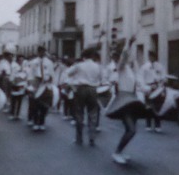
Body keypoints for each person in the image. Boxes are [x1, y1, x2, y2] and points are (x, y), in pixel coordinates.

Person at [104, 38, 150, 166]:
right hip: (124, 101)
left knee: (130, 130)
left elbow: (138, 83)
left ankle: (120, 151)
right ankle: (117, 152)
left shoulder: (129, 70)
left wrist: (147, 90)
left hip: (131, 100)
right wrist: (128, 45)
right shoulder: (121, 67)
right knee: (131, 130)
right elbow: (124, 57)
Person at [61, 48, 102, 147]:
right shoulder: (97, 66)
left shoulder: (79, 65)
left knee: (79, 113)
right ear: (92, 56)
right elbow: (100, 78)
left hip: (81, 89)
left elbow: (68, 73)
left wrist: (73, 82)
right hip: (93, 89)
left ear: (83, 56)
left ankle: (79, 138)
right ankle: (92, 138)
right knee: (93, 114)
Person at [138, 47, 168, 133]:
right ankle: (148, 124)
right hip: (148, 87)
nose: (152, 58)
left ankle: (157, 125)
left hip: (157, 88)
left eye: (153, 56)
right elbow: (141, 78)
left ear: (155, 57)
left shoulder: (160, 66)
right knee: (148, 107)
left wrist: (161, 84)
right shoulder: (144, 67)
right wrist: (144, 87)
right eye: (150, 56)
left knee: (157, 107)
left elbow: (164, 76)